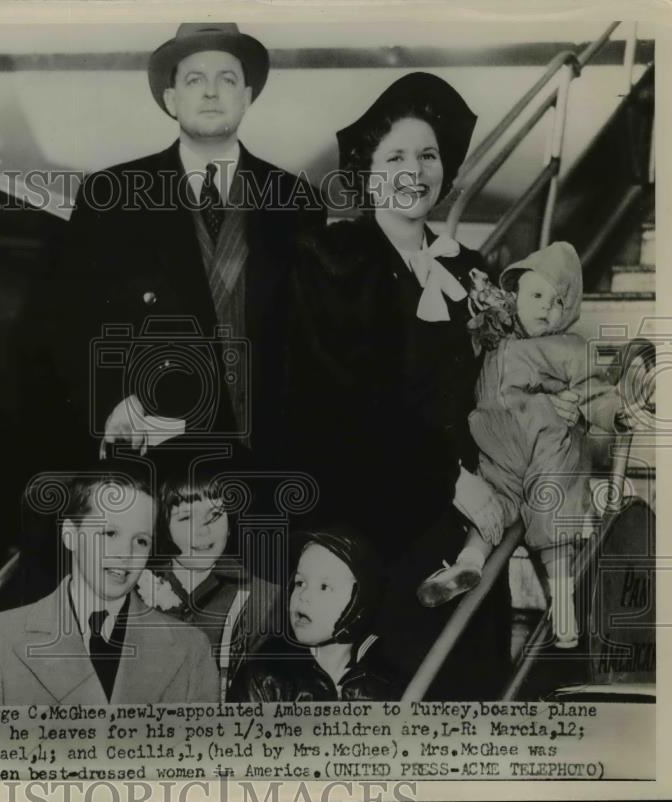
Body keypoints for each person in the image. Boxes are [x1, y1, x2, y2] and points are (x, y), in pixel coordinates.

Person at [287, 72, 516, 698]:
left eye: (428, 155)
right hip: (376, 514)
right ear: (366, 172)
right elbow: (345, 399)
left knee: (464, 684)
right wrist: (451, 478)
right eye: (395, 156)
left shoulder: (469, 269)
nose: (414, 169)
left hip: (464, 515)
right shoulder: (332, 258)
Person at [42, 22, 325, 464]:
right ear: (171, 100)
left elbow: (316, 341)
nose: (211, 93)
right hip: (157, 455)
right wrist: (111, 406)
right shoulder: (111, 194)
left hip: (272, 460)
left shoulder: (298, 199)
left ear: (247, 97)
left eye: (227, 80)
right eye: (195, 80)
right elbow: (67, 323)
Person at [417, 242, 633, 648]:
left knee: (549, 509)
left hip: (546, 447)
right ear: (515, 296)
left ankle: (563, 604)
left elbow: (594, 389)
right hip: (498, 447)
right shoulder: (497, 335)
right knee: (492, 506)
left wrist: (614, 413)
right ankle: (468, 565)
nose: (546, 309)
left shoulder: (567, 348)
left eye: (557, 303)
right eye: (536, 296)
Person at [0, 463, 219, 705]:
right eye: (110, 533)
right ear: (70, 535)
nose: (125, 554)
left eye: (141, 540)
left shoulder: (191, 649)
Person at [135, 445, 281, 699]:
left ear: (231, 522)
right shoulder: (132, 588)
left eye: (214, 515)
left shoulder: (262, 598)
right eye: (185, 518)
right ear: (162, 525)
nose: (202, 531)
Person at [228, 528, 397, 702]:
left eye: (324, 587)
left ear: (360, 601)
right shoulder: (264, 678)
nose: (304, 595)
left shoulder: (390, 687)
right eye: (300, 583)